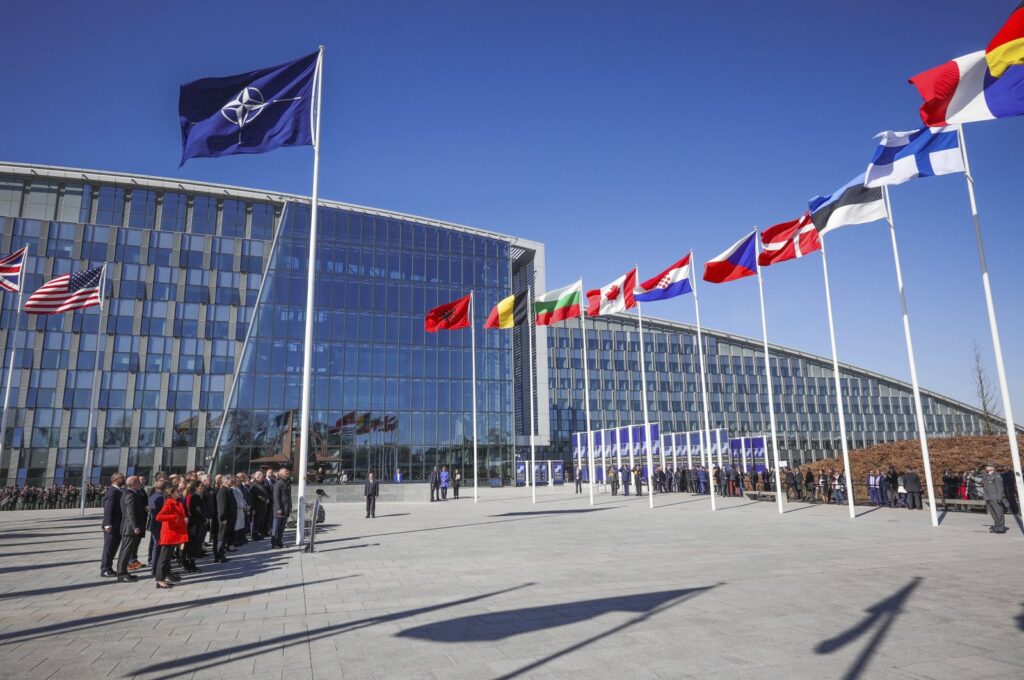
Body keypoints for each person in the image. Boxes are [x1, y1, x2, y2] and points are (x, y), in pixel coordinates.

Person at [154, 485, 188, 589]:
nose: (178, 493)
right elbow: (159, 516)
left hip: (174, 533)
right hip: (169, 534)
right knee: (163, 558)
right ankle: (159, 580)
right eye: (176, 492)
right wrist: (174, 517)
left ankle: (164, 578)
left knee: (167, 558)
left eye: (178, 491)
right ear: (171, 493)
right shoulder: (169, 502)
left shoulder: (176, 502)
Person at [116, 476, 145, 582]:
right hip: (129, 528)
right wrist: (135, 527)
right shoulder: (130, 495)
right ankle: (121, 574)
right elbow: (130, 513)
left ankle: (124, 572)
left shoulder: (132, 493)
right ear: (133, 484)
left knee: (127, 551)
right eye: (138, 482)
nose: (140, 484)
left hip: (130, 528)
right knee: (125, 551)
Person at [100, 473, 125, 578]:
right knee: (109, 548)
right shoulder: (112, 492)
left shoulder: (119, 490)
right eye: (121, 478)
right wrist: (107, 524)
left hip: (117, 525)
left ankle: (109, 567)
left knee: (113, 548)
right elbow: (108, 509)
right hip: (112, 525)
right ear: (115, 480)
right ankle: (105, 569)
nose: (123, 480)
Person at [977, 463, 1007, 534]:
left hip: (995, 497)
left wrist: (1000, 497)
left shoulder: (997, 475)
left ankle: (1001, 528)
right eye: (987, 466)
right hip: (988, 497)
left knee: (998, 513)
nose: (987, 467)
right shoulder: (986, 475)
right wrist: (972, 477)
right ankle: (996, 527)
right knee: (993, 513)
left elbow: (1000, 487)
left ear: (993, 468)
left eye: (989, 466)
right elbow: (981, 481)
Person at [215, 477, 236, 562]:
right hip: (224, 520)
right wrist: (223, 518)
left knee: (224, 537)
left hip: (229, 518)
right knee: (221, 537)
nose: (232, 481)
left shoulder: (229, 490)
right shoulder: (223, 491)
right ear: (226, 481)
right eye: (231, 480)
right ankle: (219, 555)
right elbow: (222, 507)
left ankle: (222, 554)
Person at [271, 467, 292, 548]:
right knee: (275, 528)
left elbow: (288, 497)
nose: (288, 472)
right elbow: (276, 497)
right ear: (281, 474)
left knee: (282, 528)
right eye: (286, 471)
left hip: (286, 509)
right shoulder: (278, 483)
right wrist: (278, 508)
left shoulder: (287, 482)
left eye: (288, 471)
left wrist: (290, 506)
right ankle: (274, 544)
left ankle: (280, 542)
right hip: (279, 511)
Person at [250, 471, 269, 540]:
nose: (263, 478)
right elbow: (256, 495)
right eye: (262, 477)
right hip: (257, 506)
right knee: (256, 522)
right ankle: (254, 535)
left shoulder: (262, 484)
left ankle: (259, 533)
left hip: (263, 507)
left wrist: (267, 498)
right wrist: (264, 499)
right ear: (257, 477)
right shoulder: (254, 485)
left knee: (260, 521)